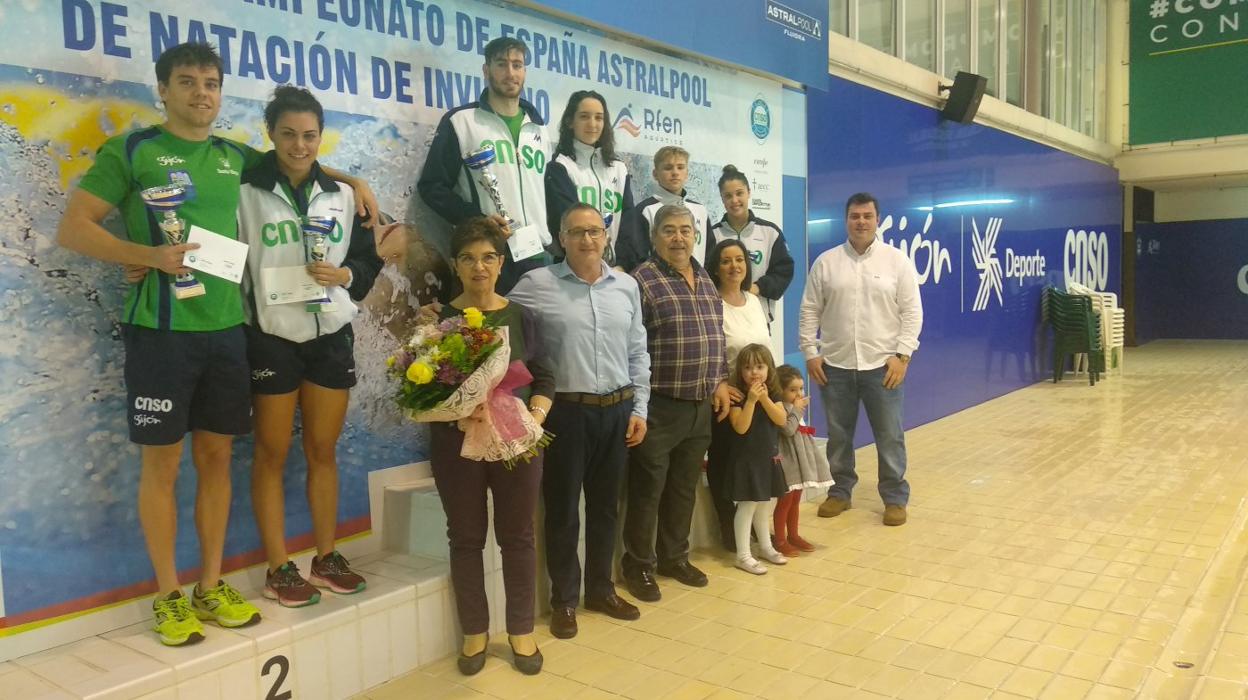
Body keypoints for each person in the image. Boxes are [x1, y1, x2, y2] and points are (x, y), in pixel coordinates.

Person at [55, 42, 267, 647]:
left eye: (212, 82)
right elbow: (74, 227)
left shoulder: (235, 156)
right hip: (161, 336)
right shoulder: (134, 150)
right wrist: (145, 256)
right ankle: (168, 595)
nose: (202, 92)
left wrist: (353, 178)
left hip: (227, 333)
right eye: (188, 81)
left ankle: (211, 584)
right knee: (164, 465)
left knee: (218, 460)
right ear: (164, 90)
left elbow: (298, 167)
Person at [235, 86, 384, 607]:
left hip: (328, 337)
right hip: (271, 337)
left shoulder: (345, 198)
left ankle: (326, 555)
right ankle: (279, 566)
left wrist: (346, 273)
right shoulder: (243, 190)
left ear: (322, 137)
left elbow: (369, 262)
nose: (300, 146)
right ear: (270, 135)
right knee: (271, 453)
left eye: (310, 135)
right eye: (289, 134)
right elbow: (228, 260)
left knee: (323, 450)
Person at [508, 203, 650, 640]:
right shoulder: (536, 284)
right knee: (564, 510)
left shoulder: (626, 286)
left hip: (618, 410)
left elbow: (637, 351)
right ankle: (564, 601)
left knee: (607, 508)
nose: (588, 240)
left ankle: (601, 590)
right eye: (577, 232)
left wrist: (640, 408)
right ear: (561, 238)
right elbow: (502, 326)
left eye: (595, 231)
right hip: (564, 413)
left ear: (606, 236)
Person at [429, 217, 555, 676]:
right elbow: (419, 390)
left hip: (517, 444)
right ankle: (474, 631)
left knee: (518, 536)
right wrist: (454, 410)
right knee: (465, 539)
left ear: (501, 263)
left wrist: (533, 419)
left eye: (487, 257)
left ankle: (521, 628)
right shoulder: (438, 319)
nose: (478, 267)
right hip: (454, 444)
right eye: (468, 258)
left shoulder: (524, 317)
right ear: (455, 265)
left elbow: (545, 378)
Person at [622, 203, 734, 602]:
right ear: (655, 238)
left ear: (695, 235)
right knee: (647, 490)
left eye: (685, 230)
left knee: (684, 487)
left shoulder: (704, 277)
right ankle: (638, 565)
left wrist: (720, 379)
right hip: (658, 406)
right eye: (668, 230)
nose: (678, 238)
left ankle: (674, 556)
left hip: (700, 404)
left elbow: (716, 334)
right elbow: (631, 348)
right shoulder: (641, 281)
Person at [798, 192, 923, 527]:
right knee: (839, 435)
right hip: (835, 366)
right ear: (846, 220)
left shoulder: (896, 261)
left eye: (867, 216)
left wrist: (903, 356)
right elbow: (810, 309)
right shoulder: (826, 262)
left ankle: (895, 498)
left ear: (877, 220)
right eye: (855, 216)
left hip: (883, 367)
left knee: (889, 436)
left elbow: (912, 312)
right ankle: (840, 491)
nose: (861, 222)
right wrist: (810, 353)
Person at [418, 37, 553, 295]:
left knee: (540, 335)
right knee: (493, 334)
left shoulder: (539, 128)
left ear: (525, 71)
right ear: (486, 70)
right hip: (487, 256)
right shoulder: (461, 122)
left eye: (517, 65)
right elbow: (432, 187)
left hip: (538, 255)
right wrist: (478, 221)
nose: (510, 73)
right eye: (502, 64)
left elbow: (543, 191)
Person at [705, 238, 772, 550]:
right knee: (724, 463)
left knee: (754, 461)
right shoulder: (709, 302)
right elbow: (708, 350)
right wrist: (719, 383)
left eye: (740, 260)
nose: (734, 266)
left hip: (758, 398)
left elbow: (764, 349)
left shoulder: (755, 301)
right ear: (716, 268)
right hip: (727, 399)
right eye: (726, 261)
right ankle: (728, 527)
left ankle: (753, 526)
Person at [718, 344, 790, 575]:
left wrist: (765, 399)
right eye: (748, 368)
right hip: (746, 460)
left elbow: (781, 419)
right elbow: (740, 427)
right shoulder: (738, 397)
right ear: (740, 372)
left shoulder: (774, 393)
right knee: (747, 506)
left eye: (759, 367)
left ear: (769, 369)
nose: (754, 373)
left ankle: (765, 547)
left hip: (767, 458)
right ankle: (743, 555)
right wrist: (750, 401)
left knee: (763, 505)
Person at [545, 91, 634, 266]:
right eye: (584, 117)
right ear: (570, 122)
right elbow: (567, 225)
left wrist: (622, 266)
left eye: (599, 118)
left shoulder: (618, 169)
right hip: (574, 268)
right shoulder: (560, 167)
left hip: (615, 271)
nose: (592, 124)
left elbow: (629, 225)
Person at [710, 165, 794, 318]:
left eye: (739, 193)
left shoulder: (770, 232)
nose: (734, 200)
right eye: (728, 196)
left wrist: (758, 287)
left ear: (749, 192)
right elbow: (707, 275)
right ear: (722, 199)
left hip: (759, 318)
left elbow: (784, 271)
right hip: (722, 318)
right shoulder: (713, 234)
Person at [615, 146, 713, 271]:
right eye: (668, 168)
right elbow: (638, 257)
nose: (675, 172)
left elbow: (710, 255)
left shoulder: (700, 210)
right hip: (660, 284)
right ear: (655, 174)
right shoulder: (645, 210)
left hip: (698, 285)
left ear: (687, 173)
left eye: (680, 167)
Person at [772, 365, 833, 556]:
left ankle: (794, 535)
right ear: (780, 390)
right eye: (792, 390)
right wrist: (797, 411)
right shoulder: (780, 408)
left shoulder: (793, 407)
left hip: (799, 457)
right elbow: (788, 429)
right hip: (786, 459)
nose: (798, 394)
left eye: (801, 389)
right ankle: (780, 540)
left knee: (796, 499)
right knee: (785, 500)